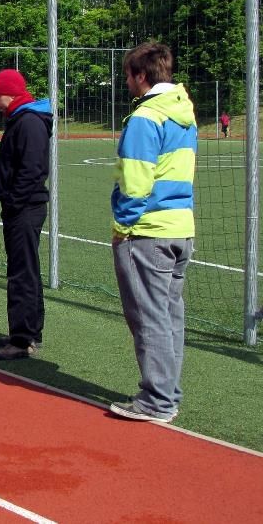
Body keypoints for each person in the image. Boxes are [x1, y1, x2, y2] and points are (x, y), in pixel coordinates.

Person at [109, 42, 196, 424]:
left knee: (148, 317)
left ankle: (158, 399)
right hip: (180, 227)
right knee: (169, 316)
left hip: (148, 231)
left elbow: (135, 179)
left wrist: (123, 226)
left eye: (128, 74)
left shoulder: (146, 118)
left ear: (141, 76)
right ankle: (168, 392)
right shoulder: (184, 113)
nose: (126, 81)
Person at [0, 68, 53, 360]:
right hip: (23, 205)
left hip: (25, 208)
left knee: (21, 273)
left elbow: (31, 171)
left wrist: (14, 202)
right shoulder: (21, 119)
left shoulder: (28, 122)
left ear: (10, 93)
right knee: (26, 270)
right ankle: (30, 331)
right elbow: (14, 165)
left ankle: (21, 340)